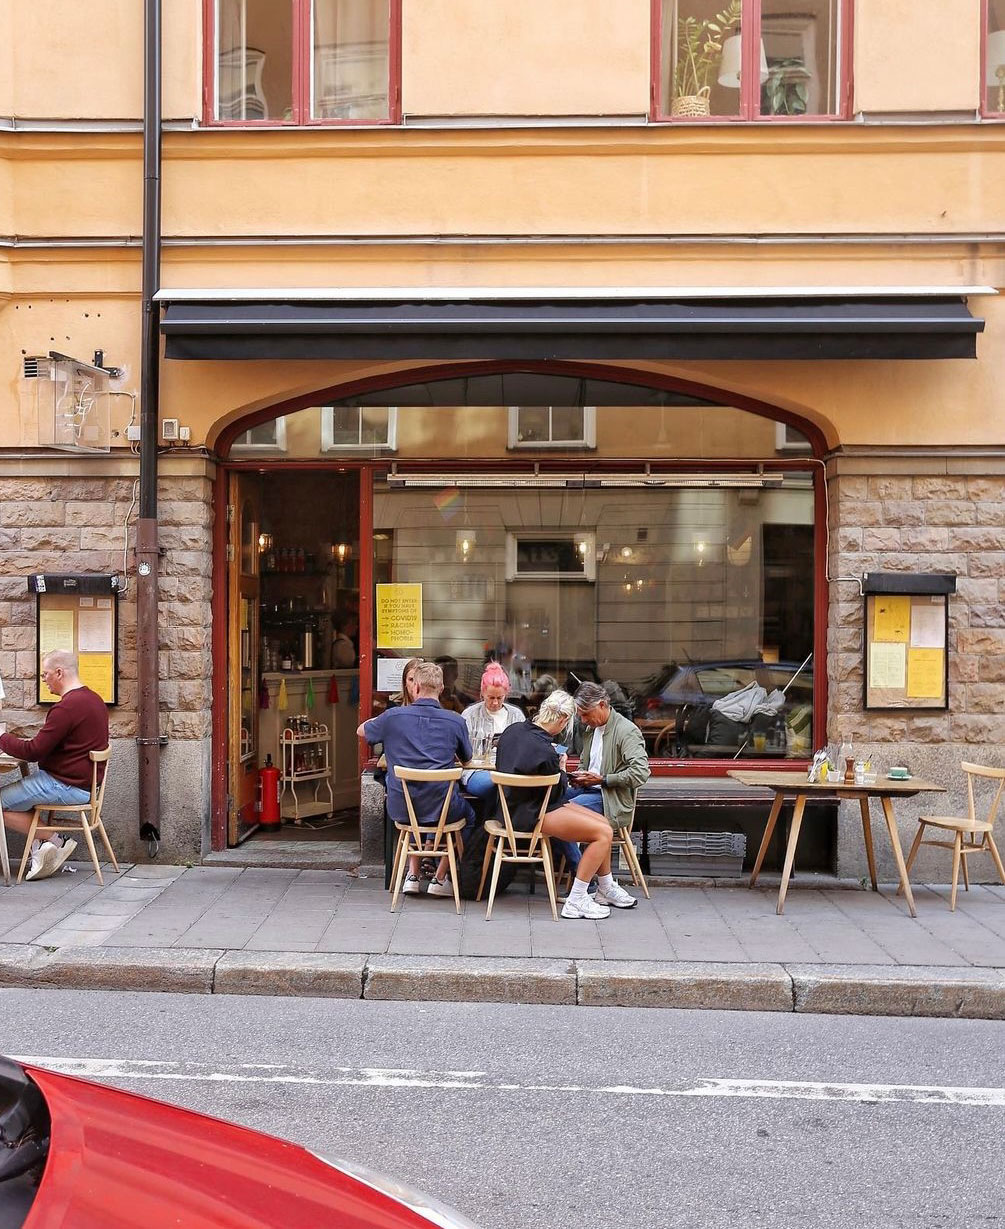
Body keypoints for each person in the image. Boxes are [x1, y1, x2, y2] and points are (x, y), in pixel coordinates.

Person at [495, 690, 631, 920]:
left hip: (510, 808)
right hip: (534, 813)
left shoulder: (513, 730)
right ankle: (577, 899)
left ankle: (605, 886)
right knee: (603, 833)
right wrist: (562, 770)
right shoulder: (546, 751)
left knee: (603, 822)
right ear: (562, 720)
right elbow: (558, 793)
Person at [358, 660, 474, 899]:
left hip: (401, 807)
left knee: (415, 802)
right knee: (471, 815)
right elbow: (467, 758)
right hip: (442, 807)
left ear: (415, 688)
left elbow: (362, 731)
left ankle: (412, 876)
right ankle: (440, 878)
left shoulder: (392, 717)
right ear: (441, 689)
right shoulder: (456, 720)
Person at [0, 649, 109, 882]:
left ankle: (55, 840)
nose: (44, 679)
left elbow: (34, 751)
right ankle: (41, 847)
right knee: (19, 800)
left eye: (45, 674)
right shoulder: (94, 699)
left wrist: (2, 737)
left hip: (64, 785)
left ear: (59, 673)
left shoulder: (66, 707)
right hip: (85, 786)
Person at [568, 682, 651, 863]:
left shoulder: (626, 731)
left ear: (602, 705)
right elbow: (585, 763)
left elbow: (641, 773)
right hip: (590, 789)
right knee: (549, 802)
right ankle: (577, 869)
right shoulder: (590, 730)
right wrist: (579, 776)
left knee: (563, 812)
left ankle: (579, 873)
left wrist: (604, 779)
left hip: (611, 797)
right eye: (580, 715)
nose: (583, 720)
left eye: (586, 714)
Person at [460, 663, 525, 800]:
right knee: (499, 784)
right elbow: (461, 750)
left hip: (509, 771)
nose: (495, 703)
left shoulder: (516, 715)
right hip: (477, 771)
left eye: (500, 698)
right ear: (482, 692)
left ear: (506, 694)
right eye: (490, 697)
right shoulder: (470, 715)